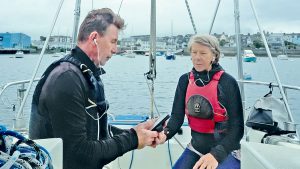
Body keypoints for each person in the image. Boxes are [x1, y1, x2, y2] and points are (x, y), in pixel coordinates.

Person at [29, 8, 163, 169]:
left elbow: (97, 130)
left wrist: (138, 131)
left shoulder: (83, 74)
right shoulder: (66, 79)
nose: (115, 49)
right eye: (113, 41)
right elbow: (79, 155)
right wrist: (133, 139)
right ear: (94, 38)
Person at [160, 34, 244, 169]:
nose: (197, 57)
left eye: (203, 53)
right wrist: (164, 134)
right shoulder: (185, 81)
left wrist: (216, 155)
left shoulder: (227, 82)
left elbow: (238, 129)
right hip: (196, 148)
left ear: (214, 56)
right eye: (194, 52)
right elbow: (176, 117)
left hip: (227, 151)